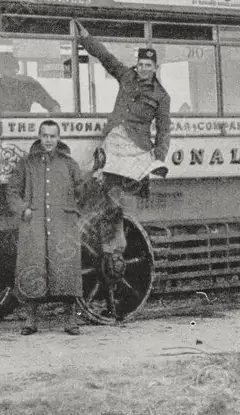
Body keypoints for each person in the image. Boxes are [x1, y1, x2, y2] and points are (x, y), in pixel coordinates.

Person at [76, 22, 169, 313]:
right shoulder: (126, 76)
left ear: (155, 67)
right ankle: (96, 226)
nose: (143, 68)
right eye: (140, 64)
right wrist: (86, 38)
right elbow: (105, 58)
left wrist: (158, 157)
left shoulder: (161, 97)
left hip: (136, 149)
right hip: (114, 141)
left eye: (147, 65)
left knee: (117, 200)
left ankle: (113, 246)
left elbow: (164, 130)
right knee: (96, 183)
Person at [6, 120, 89, 336]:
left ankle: (70, 321)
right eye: (45, 136)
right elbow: (12, 191)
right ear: (39, 137)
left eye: (53, 136)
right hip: (35, 226)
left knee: (66, 270)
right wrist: (23, 209)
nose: (49, 140)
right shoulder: (27, 163)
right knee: (33, 267)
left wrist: (74, 209)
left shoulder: (69, 164)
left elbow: (82, 192)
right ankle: (31, 320)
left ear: (58, 138)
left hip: (63, 225)